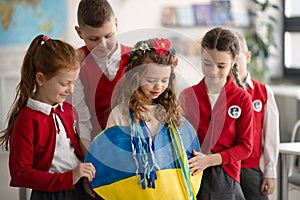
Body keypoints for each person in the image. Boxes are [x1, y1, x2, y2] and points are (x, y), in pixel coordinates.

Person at [84, 38, 202, 199]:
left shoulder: (170, 113)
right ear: (136, 77)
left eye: (164, 80)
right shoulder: (121, 114)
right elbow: (111, 156)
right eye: (151, 80)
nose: (158, 86)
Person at [0, 35, 96, 200]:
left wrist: (85, 175)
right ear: (41, 79)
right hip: (50, 195)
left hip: (79, 189)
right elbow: (20, 174)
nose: (71, 90)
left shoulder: (68, 110)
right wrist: (69, 178)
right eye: (65, 84)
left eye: (74, 82)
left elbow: (75, 153)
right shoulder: (26, 120)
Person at [180, 27, 254, 200]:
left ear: (234, 60)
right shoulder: (187, 96)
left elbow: (246, 147)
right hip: (191, 172)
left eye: (221, 66)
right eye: (207, 64)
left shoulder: (242, 98)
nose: (213, 71)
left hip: (225, 175)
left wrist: (209, 160)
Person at [69, 0, 131, 153]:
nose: (103, 45)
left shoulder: (134, 57)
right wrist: (92, 159)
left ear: (116, 24)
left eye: (108, 36)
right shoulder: (75, 63)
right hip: (96, 147)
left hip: (133, 145)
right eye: (94, 39)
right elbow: (81, 120)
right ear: (79, 33)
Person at [235, 31, 279, 200]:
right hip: (223, 168)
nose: (233, 67)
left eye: (237, 60)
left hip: (250, 169)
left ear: (247, 57)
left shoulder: (263, 92)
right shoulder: (219, 92)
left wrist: (270, 172)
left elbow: (271, 137)